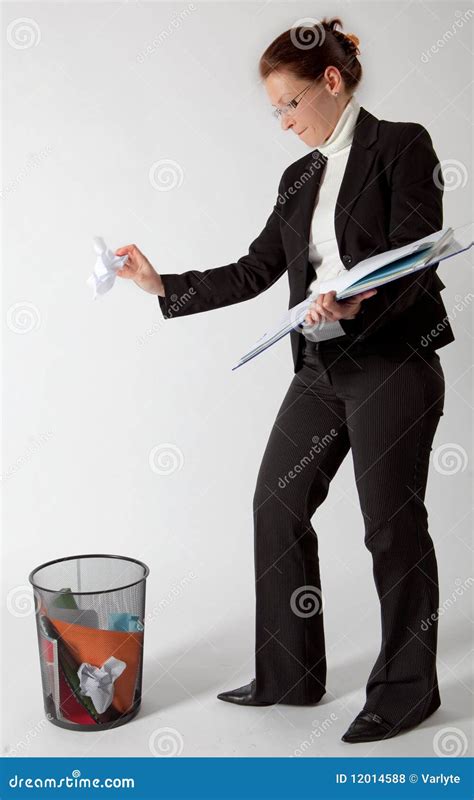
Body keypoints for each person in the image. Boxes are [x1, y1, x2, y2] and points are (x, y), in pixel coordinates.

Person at [115, 17, 454, 743]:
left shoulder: (401, 145)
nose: (283, 123)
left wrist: (357, 298)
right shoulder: (298, 176)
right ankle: (290, 674)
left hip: (393, 361)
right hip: (320, 368)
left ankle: (407, 691)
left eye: (289, 105)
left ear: (330, 83)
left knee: (391, 529)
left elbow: (418, 254)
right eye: (275, 110)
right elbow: (255, 269)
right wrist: (161, 285)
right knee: (276, 504)